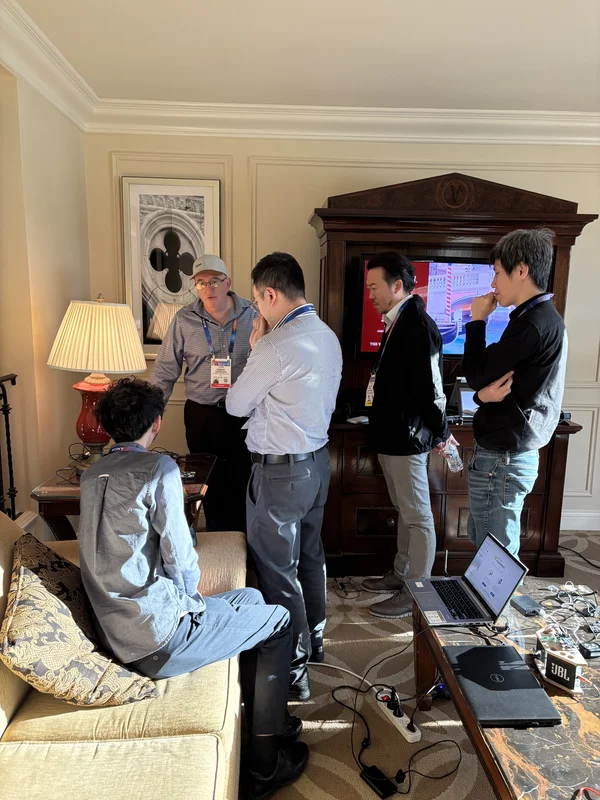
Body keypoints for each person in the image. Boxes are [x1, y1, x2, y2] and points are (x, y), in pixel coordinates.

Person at [78, 378, 309, 798]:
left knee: (251, 597)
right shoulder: (159, 469)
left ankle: (265, 719)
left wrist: (197, 603)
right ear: (156, 423)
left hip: (117, 630)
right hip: (156, 638)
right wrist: (193, 606)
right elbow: (181, 556)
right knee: (279, 619)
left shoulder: (92, 475)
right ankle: (264, 764)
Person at [226, 252, 342, 701]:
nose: (257, 309)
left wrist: (257, 347)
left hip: (280, 474)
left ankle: (294, 670)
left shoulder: (275, 346)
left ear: (271, 294)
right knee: (310, 556)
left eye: (257, 301)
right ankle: (314, 641)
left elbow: (236, 404)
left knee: (278, 571)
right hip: (317, 464)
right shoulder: (326, 335)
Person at [462, 228, 567, 558]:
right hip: (508, 451)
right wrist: (481, 396)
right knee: (486, 540)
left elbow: (476, 375)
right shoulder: (538, 317)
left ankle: (495, 597)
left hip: (504, 456)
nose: (493, 283)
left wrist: (477, 321)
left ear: (521, 270)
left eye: (496, 272)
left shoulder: (532, 323)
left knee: (495, 552)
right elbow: (486, 385)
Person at [360, 252, 455, 619]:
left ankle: (417, 591)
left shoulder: (417, 325)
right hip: (392, 434)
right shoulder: (398, 321)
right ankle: (401, 574)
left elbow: (431, 389)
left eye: (374, 287)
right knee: (405, 510)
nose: (370, 295)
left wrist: (443, 433)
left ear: (397, 285)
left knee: (418, 517)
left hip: (407, 438)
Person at [151, 254, 255, 533]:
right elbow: (165, 369)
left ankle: (242, 545)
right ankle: (217, 541)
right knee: (208, 484)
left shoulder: (253, 315)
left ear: (227, 283)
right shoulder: (184, 319)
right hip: (202, 416)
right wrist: (151, 413)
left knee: (243, 482)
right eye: (201, 283)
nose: (208, 288)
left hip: (244, 416)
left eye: (214, 281)